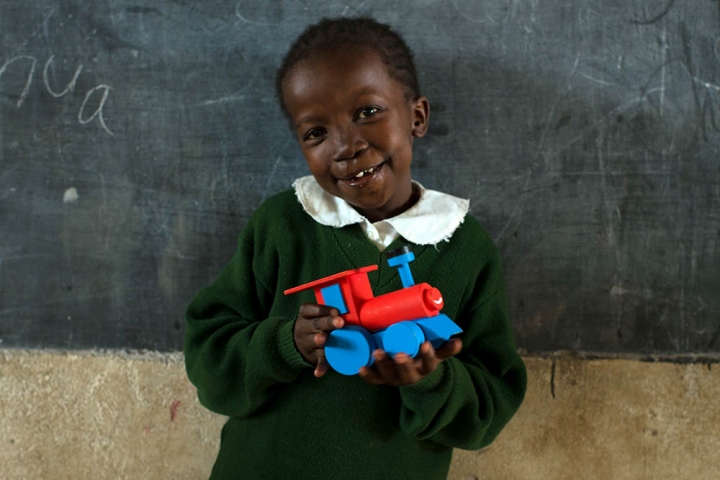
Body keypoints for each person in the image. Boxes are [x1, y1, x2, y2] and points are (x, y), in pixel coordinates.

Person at [184, 17, 526, 480]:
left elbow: (489, 407)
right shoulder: (283, 224)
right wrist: (288, 345)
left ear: (417, 117)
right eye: (316, 133)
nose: (347, 146)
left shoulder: (465, 247)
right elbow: (209, 359)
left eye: (368, 112)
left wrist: (431, 380)